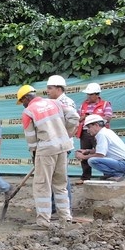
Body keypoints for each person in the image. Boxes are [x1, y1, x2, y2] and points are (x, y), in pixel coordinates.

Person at [16, 84, 79, 229]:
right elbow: (74, 117)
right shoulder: (55, 103)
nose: (23, 104)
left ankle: (43, 221)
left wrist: (34, 155)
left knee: (42, 185)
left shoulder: (28, 111)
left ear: (26, 98)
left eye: (22, 101)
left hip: (46, 150)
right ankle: (66, 218)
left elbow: (31, 138)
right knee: (60, 185)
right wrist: (66, 133)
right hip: (63, 148)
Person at [46, 74, 76, 211]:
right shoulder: (53, 102)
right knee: (54, 176)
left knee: (61, 177)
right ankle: (55, 206)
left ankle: (65, 207)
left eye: (50, 88)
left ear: (59, 89)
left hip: (62, 145)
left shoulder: (66, 102)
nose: (47, 91)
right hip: (55, 145)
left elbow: (73, 123)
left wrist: (64, 137)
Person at [75, 115, 125, 181]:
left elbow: (100, 155)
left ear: (96, 125)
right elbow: (102, 150)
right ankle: (115, 174)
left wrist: (83, 157)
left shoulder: (101, 134)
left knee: (92, 161)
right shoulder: (106, 132)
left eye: (89, 127)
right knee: (93, 159)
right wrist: (88, 151)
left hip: (124, 164)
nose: (88, 131)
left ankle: (117, 174)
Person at [75, 82, 113, 183]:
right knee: (84, 152)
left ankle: (107, 175)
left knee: (101, 153)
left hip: (99, 133)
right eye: (88, 94)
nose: (88, 96)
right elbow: (78, 118)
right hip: (85, 132)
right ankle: (85, 177)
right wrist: (85, 116)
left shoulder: (105, 104)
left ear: (97, 94)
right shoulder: (84, 104)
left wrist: (93, 117)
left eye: (91, 94)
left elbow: (108, 117)